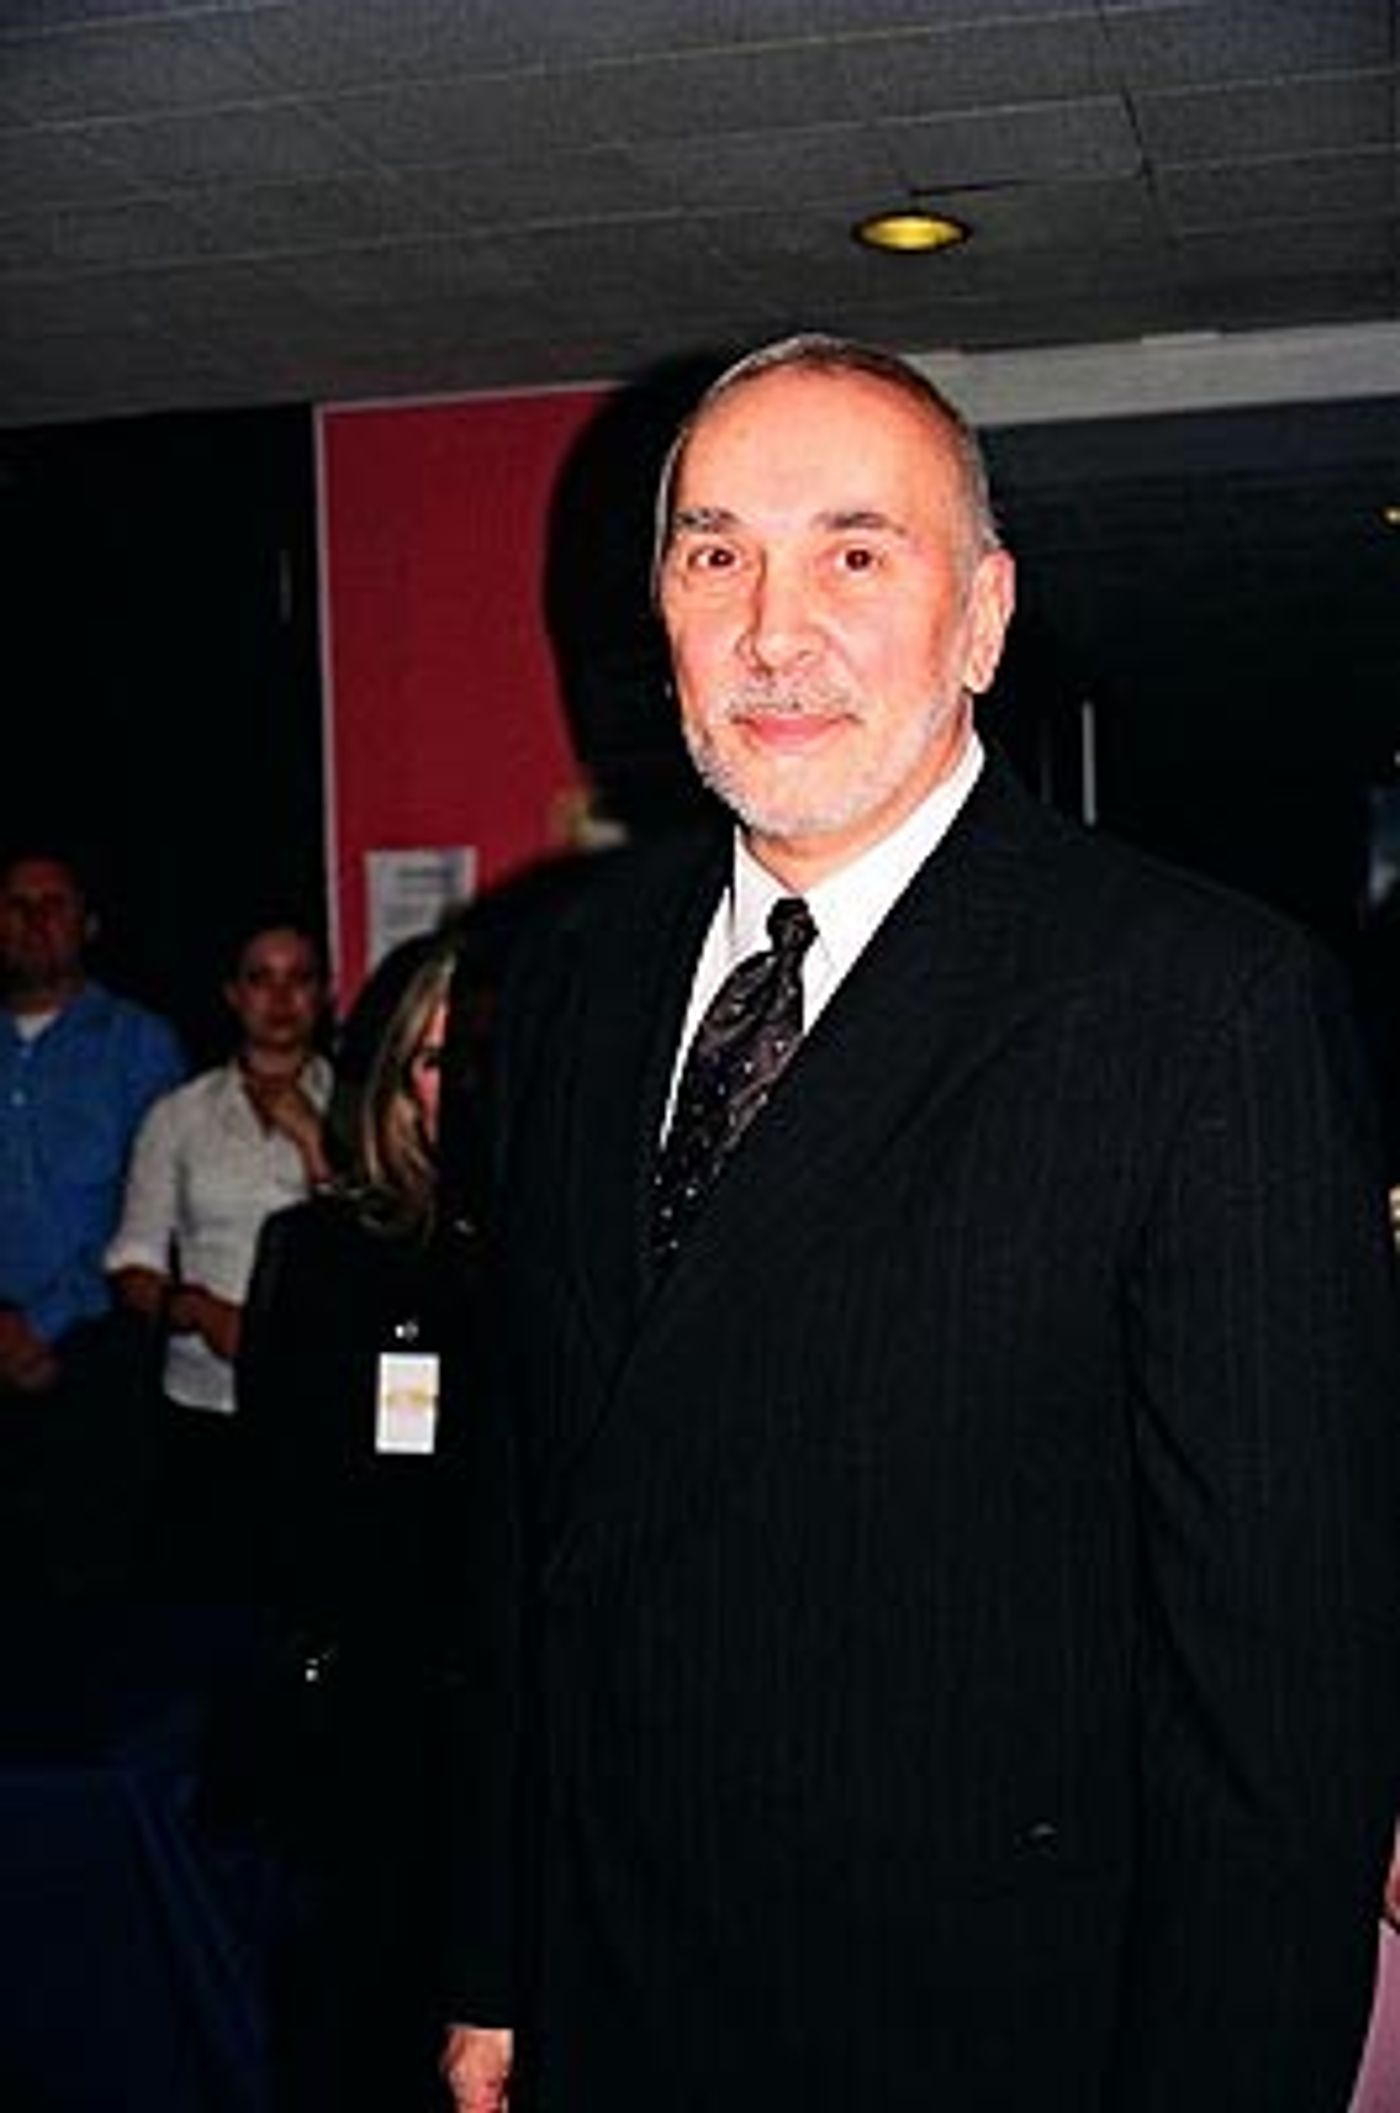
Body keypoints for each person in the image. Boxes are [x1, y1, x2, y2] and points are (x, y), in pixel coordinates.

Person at [440, 334, 1400, 2112]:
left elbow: (1283, 1705)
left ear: (985, 617)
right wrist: (499, 1953)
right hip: (616, 1989)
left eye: (856, 553)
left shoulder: (1203, 1007)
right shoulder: (572, 977)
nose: (773, 630)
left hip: (985, 2024)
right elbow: (531, 1501)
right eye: (715, 553)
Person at [237, 931, 477, 2110]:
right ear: (392, 1081)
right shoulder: (323, 1254)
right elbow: (286, 1499)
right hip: (375, 1706)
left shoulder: (567, 1248)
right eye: (433, 1060)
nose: (459, 1090)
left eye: (479, 1060)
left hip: (520, 1714)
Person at [107, 917, 331, 1597]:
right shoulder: (178, 1115)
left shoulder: (363, 1108)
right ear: (233, 995)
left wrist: (314, 1144)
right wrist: (201, 1312)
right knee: (213, 1608)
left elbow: (383, 1245)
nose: (280, 999)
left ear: (324, 994)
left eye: (299, 979)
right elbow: (133, 1264)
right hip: (208, 1399)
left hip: (324, 1399)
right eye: (261, 979)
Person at [0, 847, 184, 1592]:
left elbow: (150, 1206)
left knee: (89, 1593)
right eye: (17, 905)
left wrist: (42, 1322)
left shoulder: (139, 1045)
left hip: (93, 1348)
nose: (34, 921)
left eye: (54, 905)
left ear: (88, 923)